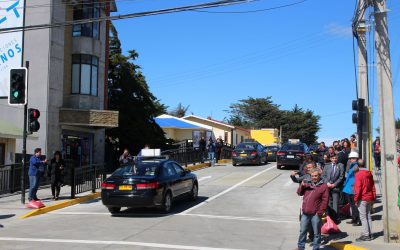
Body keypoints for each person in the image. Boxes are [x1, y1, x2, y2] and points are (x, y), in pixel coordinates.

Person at [296, 168, 329, 250]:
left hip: (315, 214)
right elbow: (299, 193)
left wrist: (320, 212)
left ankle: (316, 248)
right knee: (303, 231)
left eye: (316, 176)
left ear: (319, 176)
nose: (314, 177)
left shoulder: (324, 186)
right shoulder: (307, 184)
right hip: (305, 213)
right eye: (312, 176)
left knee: (316, 233)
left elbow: (325, 200)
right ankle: (300, 247)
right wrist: (302, 186)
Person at [354, 159, 376, 241]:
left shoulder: (358, 174)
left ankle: (366, 235)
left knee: (363, 217)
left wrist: (356, 199)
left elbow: (358, 188)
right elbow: (373, 186)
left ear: (358, 166)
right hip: (369, 197)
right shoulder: (369, 173)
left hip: (362, 198)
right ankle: (370, 234)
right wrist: (374, 196)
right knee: (368, 216)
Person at [322, 154, 345, 223]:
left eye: (335, 158)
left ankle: (335, 218)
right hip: (327, 186)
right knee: (328, 202)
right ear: (331, 159)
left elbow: (341, 177)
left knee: (335, 203)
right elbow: (323, 176)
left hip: (336, 187)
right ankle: (329, 217)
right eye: (333, 158)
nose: (334, 159)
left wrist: (334, 184)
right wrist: (327, 183)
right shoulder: (327, 166)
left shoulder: (340, 165)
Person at [343, 152, 361, 226]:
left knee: (354, 205)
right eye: (350, 158)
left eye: (353, 158)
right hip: (349, 187)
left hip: (352, 188)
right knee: (352, 205)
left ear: (356, 158)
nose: (351, 160)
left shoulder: (356, 166)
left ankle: (358, 220)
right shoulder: (352, 165)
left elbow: (357, 178)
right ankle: (354, 218)